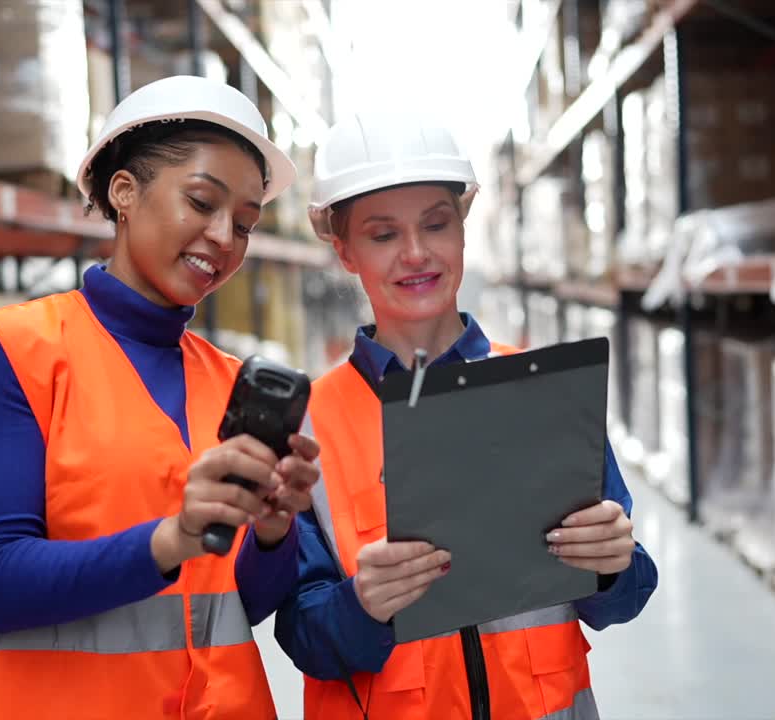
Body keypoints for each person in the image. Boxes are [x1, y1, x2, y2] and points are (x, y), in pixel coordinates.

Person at [237, 112, 658, 719]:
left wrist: (615, 567)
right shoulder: (308, 426)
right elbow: (304, 637)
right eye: (383, 235)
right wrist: (362, 605)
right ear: (345, 250)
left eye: (436, 224)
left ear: (463, 226)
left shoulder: (542, 395)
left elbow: (624, 597)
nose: (415, 254)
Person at [0, 75, 320, 720]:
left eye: (246, 224)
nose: (225, 237)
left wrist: (275, 531)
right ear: (124, 192)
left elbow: (240, 602)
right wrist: (171, 539)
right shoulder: (8, 352)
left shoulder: (226, 381)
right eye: (202, 201)